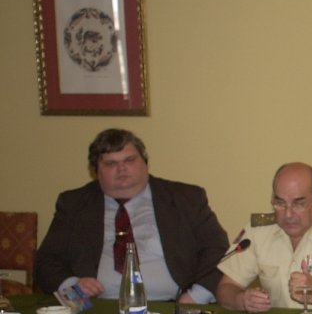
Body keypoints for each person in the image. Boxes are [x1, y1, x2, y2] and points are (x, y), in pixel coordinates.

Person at [34, 128, 228, 303]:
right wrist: (73, 285)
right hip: (99, 308)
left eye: (129, 160)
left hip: (172, 305)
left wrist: (196, 296)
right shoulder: (74, 204)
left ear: (145, 162)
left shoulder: (186, 198)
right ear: (95, 171)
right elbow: (46, 261)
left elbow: (218, 250)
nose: (122, 169)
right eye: (111, 163)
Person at [216, 163, 312, 312]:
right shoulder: (258, 232)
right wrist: (242, 300)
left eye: (299, 204)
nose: (288, 214)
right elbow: (225, 288)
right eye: (280, 203)